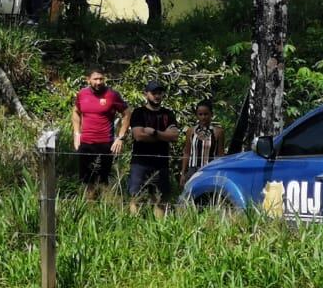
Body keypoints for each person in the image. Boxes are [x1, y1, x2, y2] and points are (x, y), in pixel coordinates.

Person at [70, 68, 129, 194]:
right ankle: (90, 206)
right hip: (86, 144)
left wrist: (120, 137)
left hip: (106, 144)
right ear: (88, 80)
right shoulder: (82, 94)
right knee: (87, 182)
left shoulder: (112, 95)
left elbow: (127, 113)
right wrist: (76, 133)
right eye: (95, 79)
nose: (98, 82)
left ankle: (106, 205)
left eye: (101, 79)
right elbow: (75, 111)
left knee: (103, 182)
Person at [128, 79, 179, 215]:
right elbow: (139, 136)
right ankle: (133, 223)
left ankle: (158, 226)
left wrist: (154, 132)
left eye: (159, 93)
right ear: (146, 94)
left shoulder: (168, 114)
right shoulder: (138, 112)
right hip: (140, 162)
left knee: (160, 199)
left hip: (161, 162)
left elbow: (174, 136)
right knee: (136, 197)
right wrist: (164, 136)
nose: (157, 96)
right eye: (153, 93)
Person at [181, 99, 225, 187]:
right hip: (193, 170)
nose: (203, 117)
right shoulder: (191, 131)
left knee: (207, 193)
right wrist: (183, 173)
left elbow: (220, 154)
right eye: (200, 114)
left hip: (210, 170)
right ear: (196, 115)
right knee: (191, 193)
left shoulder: (218, 132)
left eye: (206, 114)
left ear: (211, 114)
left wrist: (221, 173)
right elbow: (187, 152)